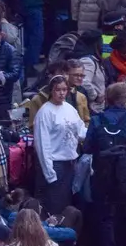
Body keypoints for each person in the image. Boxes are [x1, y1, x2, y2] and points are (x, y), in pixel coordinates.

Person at [33, 75, 87, 214]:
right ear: (51, 90)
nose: (62, 93)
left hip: (70, 163)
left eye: (65, 89)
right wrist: (49, 172)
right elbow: (42, 144)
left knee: (66, 204)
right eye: (58, 90)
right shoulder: (45, 112)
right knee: (54, 205)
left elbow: (80, 131)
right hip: (55, 164)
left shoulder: (70, 108)